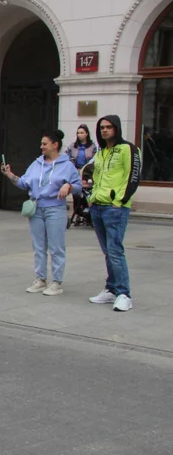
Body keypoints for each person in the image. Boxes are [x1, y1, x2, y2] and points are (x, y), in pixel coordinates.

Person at [0, 130, 81, 297]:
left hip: (55, 208)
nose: (41, 147)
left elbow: (78, 185)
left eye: (44, 144)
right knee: (38, 246)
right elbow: (24, 183)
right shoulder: (37, 163)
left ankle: (57, 282)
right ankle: (40, 279)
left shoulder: (67, 166)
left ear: (55, 145)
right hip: (36, 208)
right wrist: (10, 175)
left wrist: (69, 186)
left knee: (56, 246)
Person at [87, 115, 141, 312]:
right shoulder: (101, 152)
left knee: (115, 251)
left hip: (115, 207)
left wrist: (120, 201)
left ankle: (124, 293)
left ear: (116, 128)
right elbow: (96, 176)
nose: (105, 130)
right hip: (98, 206)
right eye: (102, 127)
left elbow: (133, 177)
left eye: (109, 127)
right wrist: (91, 198)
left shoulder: (128, 149)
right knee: (108, 252)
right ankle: (111, 289)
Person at [68, 124, 96, 227]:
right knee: (76, 193)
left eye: (82, 133)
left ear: (87, 134)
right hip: (76, 172)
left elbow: (94, 159)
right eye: (78, 133)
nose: (80, 135)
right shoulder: (72, 146)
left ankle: (88, 213)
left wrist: (86, 169)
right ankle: (78, 212)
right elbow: (68, 158)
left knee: (87, 193)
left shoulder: (93, 146)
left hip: (88, 172)